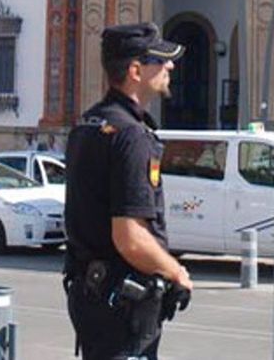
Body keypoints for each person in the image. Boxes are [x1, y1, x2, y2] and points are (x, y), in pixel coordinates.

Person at [63, 22, 193, 360]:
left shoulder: (87, 124)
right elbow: (130, 238)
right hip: (121, 304)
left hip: (89, 294)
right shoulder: (131, 135)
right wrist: (175, 271)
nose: (170, 66)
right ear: (135, 70)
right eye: (161, 60)